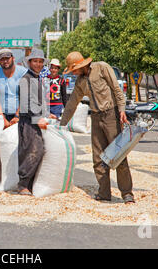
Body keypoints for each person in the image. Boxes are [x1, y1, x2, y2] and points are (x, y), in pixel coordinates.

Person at [60, 51, 135, 204]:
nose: (73, 73)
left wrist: (122, 110)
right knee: (98, 157)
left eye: (74, 70)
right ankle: (104, 193)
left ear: (81, 66)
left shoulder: (101, 68)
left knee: (118, 155)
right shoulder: (80, 82)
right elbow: (72, 103)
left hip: (111, 115)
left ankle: (127, 193)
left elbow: (116, 89)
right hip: (95, 117)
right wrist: (62, 124)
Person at [17, 49, 55, 196]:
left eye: (40, 61)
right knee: (32, 150)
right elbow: (26, 103)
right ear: (30, 62)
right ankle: (23, 184)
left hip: (36, 120)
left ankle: (30, 184)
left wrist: (46, 114)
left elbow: (38, 101)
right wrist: (37, 118)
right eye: (35, 61)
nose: (38, 64)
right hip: (28, 122)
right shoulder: (26, 79)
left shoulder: (36, 78)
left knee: (37, 149)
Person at [0, 48, 28, 129]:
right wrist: (2, 119)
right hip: (2, 114)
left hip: (21, 114)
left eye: (7, 58)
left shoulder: (23, 72)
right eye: (2, 59)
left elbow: (26, 97)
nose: (5, 61)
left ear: (13, 58)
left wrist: (17, 116)